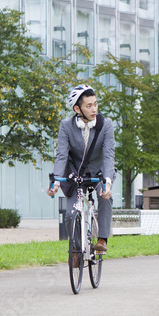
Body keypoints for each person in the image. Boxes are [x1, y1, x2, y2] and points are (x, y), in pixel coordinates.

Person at [47, 84, 116, 253]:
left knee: (105, 197)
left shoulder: (105, 124)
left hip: (99, 173)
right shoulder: (66, 126)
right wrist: (56, 181)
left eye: (95, 104)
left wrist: (107, 182)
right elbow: (61, 155)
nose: (94, 109)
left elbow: (108, 155)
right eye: (89, 105)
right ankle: (77, 248)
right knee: (71, 214)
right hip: (75, 175)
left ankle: (102, 239)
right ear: (77, 108)